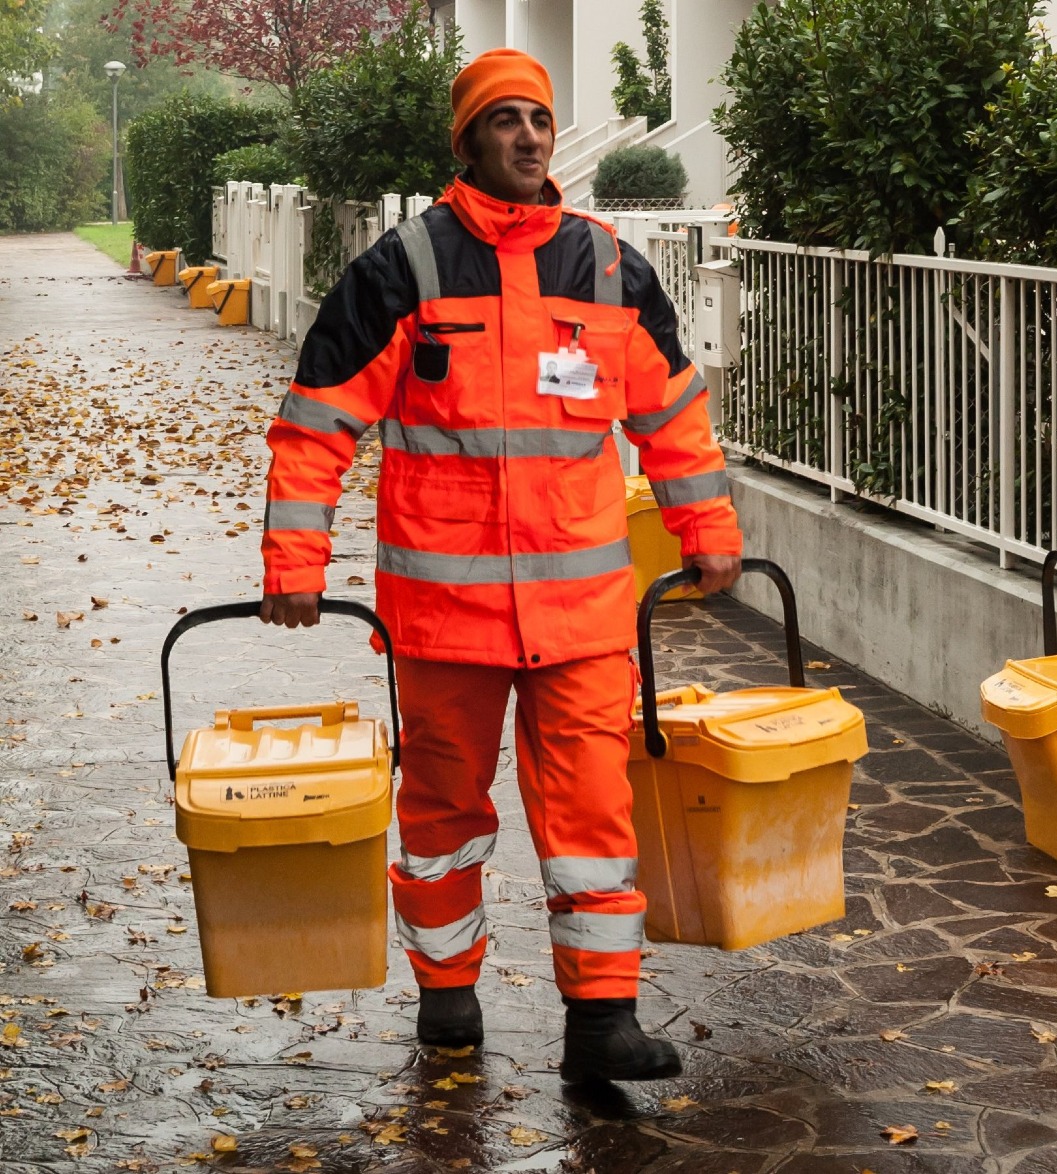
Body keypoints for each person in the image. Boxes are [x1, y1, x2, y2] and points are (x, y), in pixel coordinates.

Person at [259, 47, 742, 1083]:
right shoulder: (403, 269)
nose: (528, 136)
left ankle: (602, 1019)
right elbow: (315, 424)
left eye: (540, 119)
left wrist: (707, 529)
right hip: (444, 620)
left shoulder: (609, 268)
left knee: (593, 817)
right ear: (469, 139)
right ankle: (447, 994)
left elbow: (673, 415)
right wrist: (293, 558)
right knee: (441, 811)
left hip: (579, 621)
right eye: (506, 119)